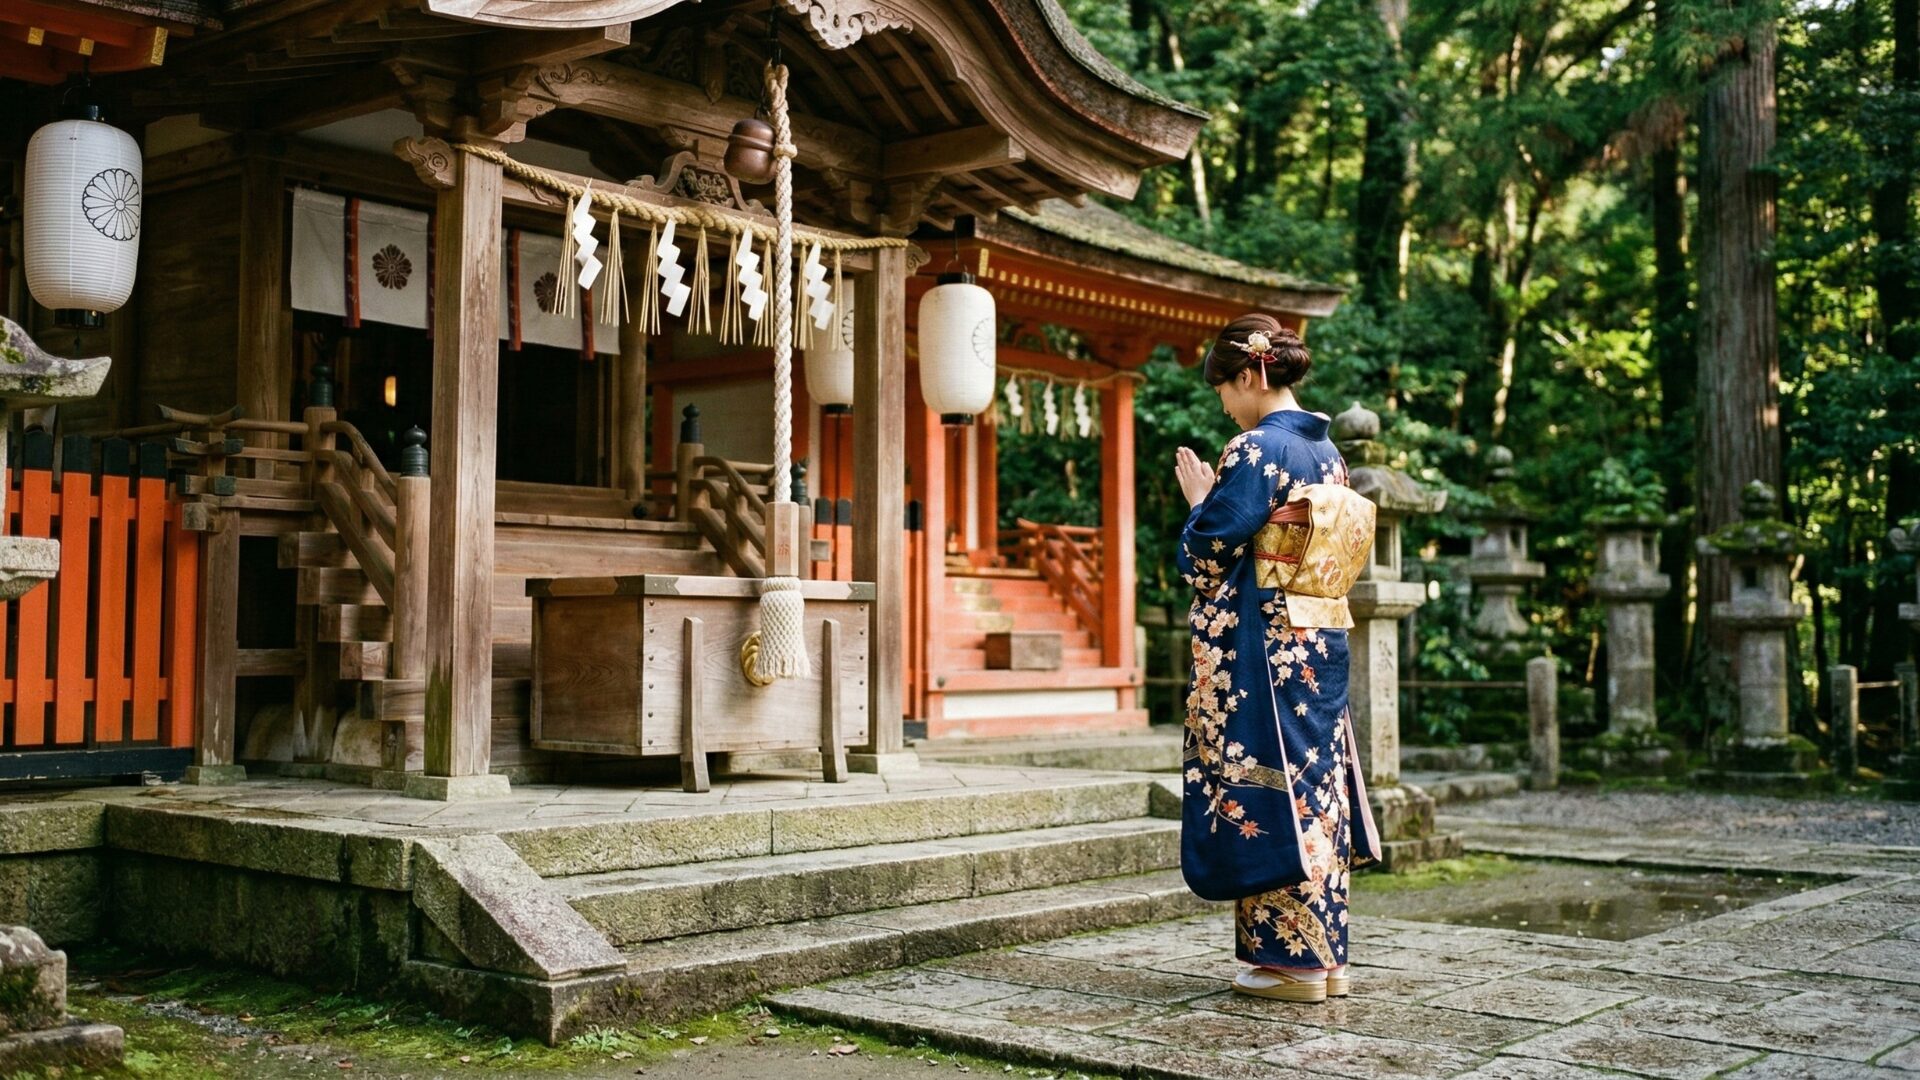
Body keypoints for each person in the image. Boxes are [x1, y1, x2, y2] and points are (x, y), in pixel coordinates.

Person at [1173, 313, 1381, 1003]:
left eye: (1224, 391)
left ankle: (1288, 965)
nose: (1225, 407)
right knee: (1315, 787)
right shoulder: (1328, 453)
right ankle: (1326, 957)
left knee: (1265, 783)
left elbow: (1207, 557)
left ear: (1248, 375)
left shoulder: (1255, 449)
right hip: (1319, 641)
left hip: (1265, 649)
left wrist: (1200, 502)